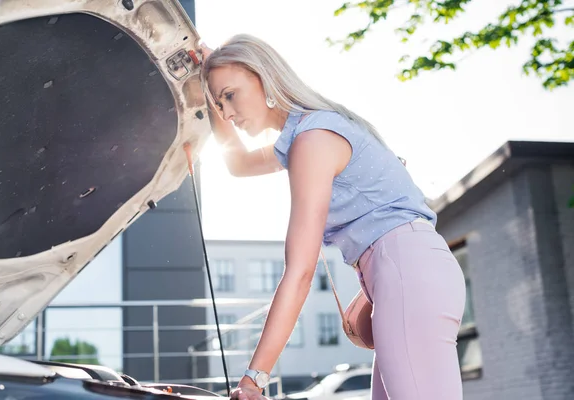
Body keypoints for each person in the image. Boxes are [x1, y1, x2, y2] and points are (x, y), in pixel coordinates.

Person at [198, 34, 466, 400]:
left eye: (230, 95)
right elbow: (238, 163)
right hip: (410, 272)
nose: (226, 113)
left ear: (261, 75)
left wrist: (254, 379)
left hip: (407, 272)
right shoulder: (307, 135)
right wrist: (207, 78)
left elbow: (300, 272)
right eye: (218, 103)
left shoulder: (313, 139)